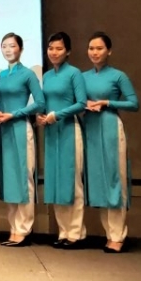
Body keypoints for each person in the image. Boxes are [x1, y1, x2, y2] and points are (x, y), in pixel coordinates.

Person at [82, 32, 139, 253]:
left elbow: (134, 103)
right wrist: (85, 103)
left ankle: (118, 234)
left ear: (109, 51)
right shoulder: (83, 77)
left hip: (110, 127)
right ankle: (109, 232)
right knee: (98, 180)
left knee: (115, 179)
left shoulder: (118, 76)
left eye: (99, 48)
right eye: (91, 48)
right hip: (90, 128)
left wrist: (107, 102)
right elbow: (76, 100)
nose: (95, 52)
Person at [0, 33, 46, 247]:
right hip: (3, 130)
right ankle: (13, 228)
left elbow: (40, 103)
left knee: (24, 178)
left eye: (12, 46)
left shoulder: (28, 74)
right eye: (4, 46)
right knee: (9, 179)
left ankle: (24, 229)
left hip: (20, 128)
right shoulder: (2, 75)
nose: (8, 50)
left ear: (21, 49)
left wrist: (14, 114)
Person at [37, 32, 88, 249]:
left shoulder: (74, 73)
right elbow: (44, 103)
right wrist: (41, 116)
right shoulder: (47, 76)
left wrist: (57, 115)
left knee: (72, 180)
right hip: (51, 131)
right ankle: (63, 231)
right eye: (51, 48)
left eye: (59, 48)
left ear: (68, 51)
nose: (54, 52)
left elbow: (81, 103)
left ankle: (76, 233)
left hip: (69, 129)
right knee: (55, 181)